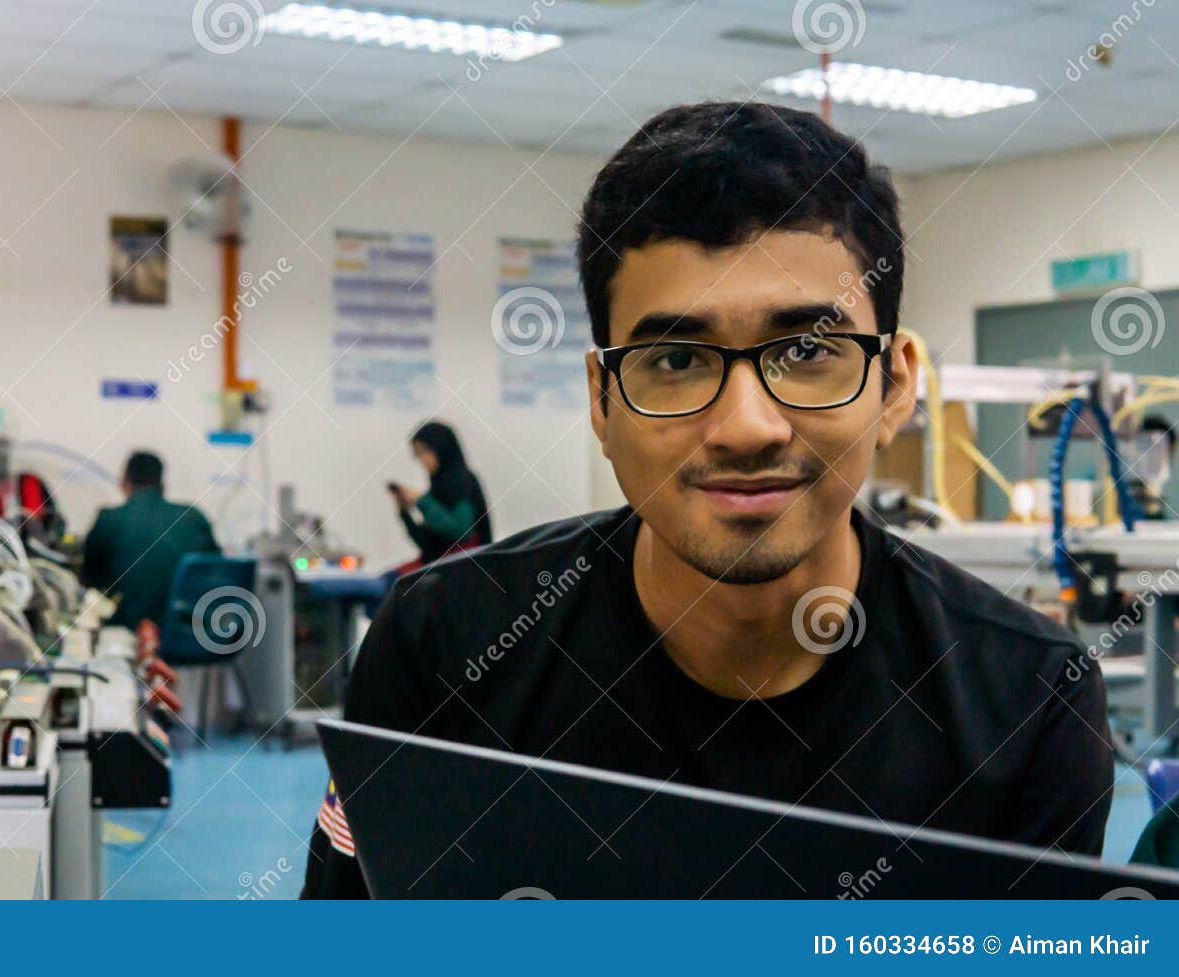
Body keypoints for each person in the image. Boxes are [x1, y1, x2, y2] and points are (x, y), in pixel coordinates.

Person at [302, 102, 1112, 898]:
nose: (747, 428)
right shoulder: (443, 647)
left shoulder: (1027, 704)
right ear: (602, 400)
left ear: (895, 385)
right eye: (677, 360)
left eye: (807, 351)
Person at [80, 451, 219, 630]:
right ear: (162, 485)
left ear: (125, 483)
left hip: (125, 629)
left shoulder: (108, 519)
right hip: (187, 630)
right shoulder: (193, 517)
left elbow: (91, 582)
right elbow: (217, 571)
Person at [388, 422, 492, 575]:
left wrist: (422, 501)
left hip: (464, 570)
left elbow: (461, 531)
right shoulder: (437, 487)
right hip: (438, 566)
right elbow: (428, 545)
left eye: (424, 451)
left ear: (441, 447)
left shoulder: (463, 482)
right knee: (381, 582)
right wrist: (405, 512)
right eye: (417, 454)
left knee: (380, 585)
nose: (422, 460)